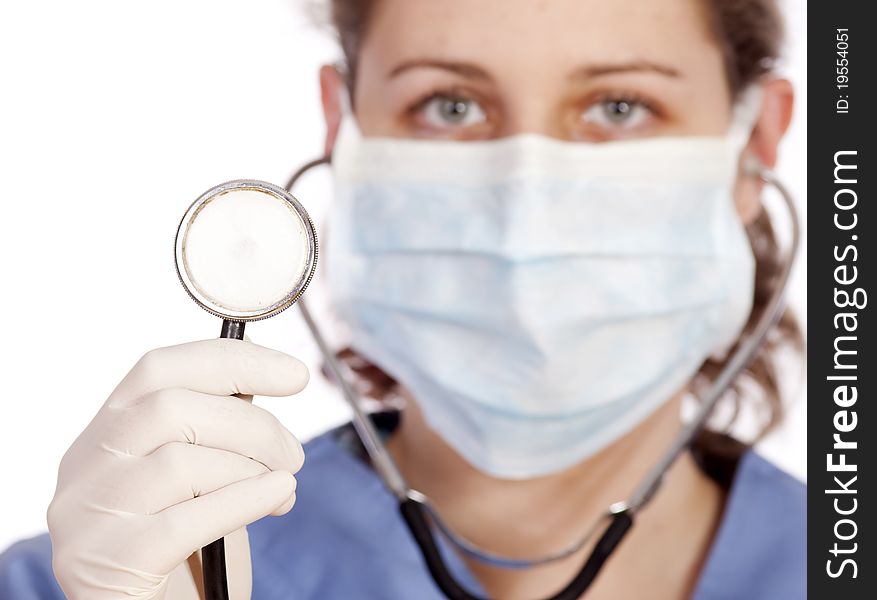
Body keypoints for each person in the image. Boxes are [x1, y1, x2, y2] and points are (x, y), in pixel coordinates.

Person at [0, 0, 805, 598]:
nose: (522, 212)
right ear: (341, 126)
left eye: (619, 107)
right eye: (449, 106)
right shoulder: (97, 577)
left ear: (753, 144)